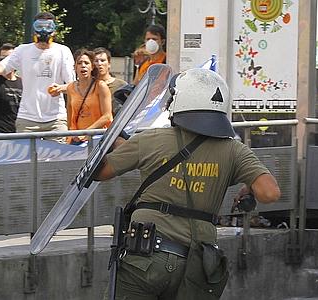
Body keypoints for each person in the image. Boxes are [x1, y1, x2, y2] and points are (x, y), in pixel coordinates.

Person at [94, 68, 281, 299]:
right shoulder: (235, 151)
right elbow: (270, 193)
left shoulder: (151, 140)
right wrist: (249, 185)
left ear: (180, 101)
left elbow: (101, 172)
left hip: (145, 259)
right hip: (197, 268)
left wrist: (111, 142)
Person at [0, 12, 74, 143]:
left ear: (54, 31)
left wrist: (61, 88)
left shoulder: (63, 51)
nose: (43, 31)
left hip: (55, 118)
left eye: (48, 27)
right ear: (33, 30)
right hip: (27, 118)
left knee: (56, 160)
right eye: (39, 26)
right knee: (25, 159)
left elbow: (73, 85)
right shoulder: (23, 50)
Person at [66, 49, 113, 145]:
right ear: (75, 67)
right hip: (77, 138)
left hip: (98, 136)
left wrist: (87, 132)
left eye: (86, 63)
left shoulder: (100, 86)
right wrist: (72, 133)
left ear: (92, 67)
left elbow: (107, 116)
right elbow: (70, 115)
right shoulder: (70, 88)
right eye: (79, 63)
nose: (83, 66)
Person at [0, 43, 22, 133]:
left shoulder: (24, 83)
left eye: (9, 58)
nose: (6, 61)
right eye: (2, 58)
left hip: (20, 133)